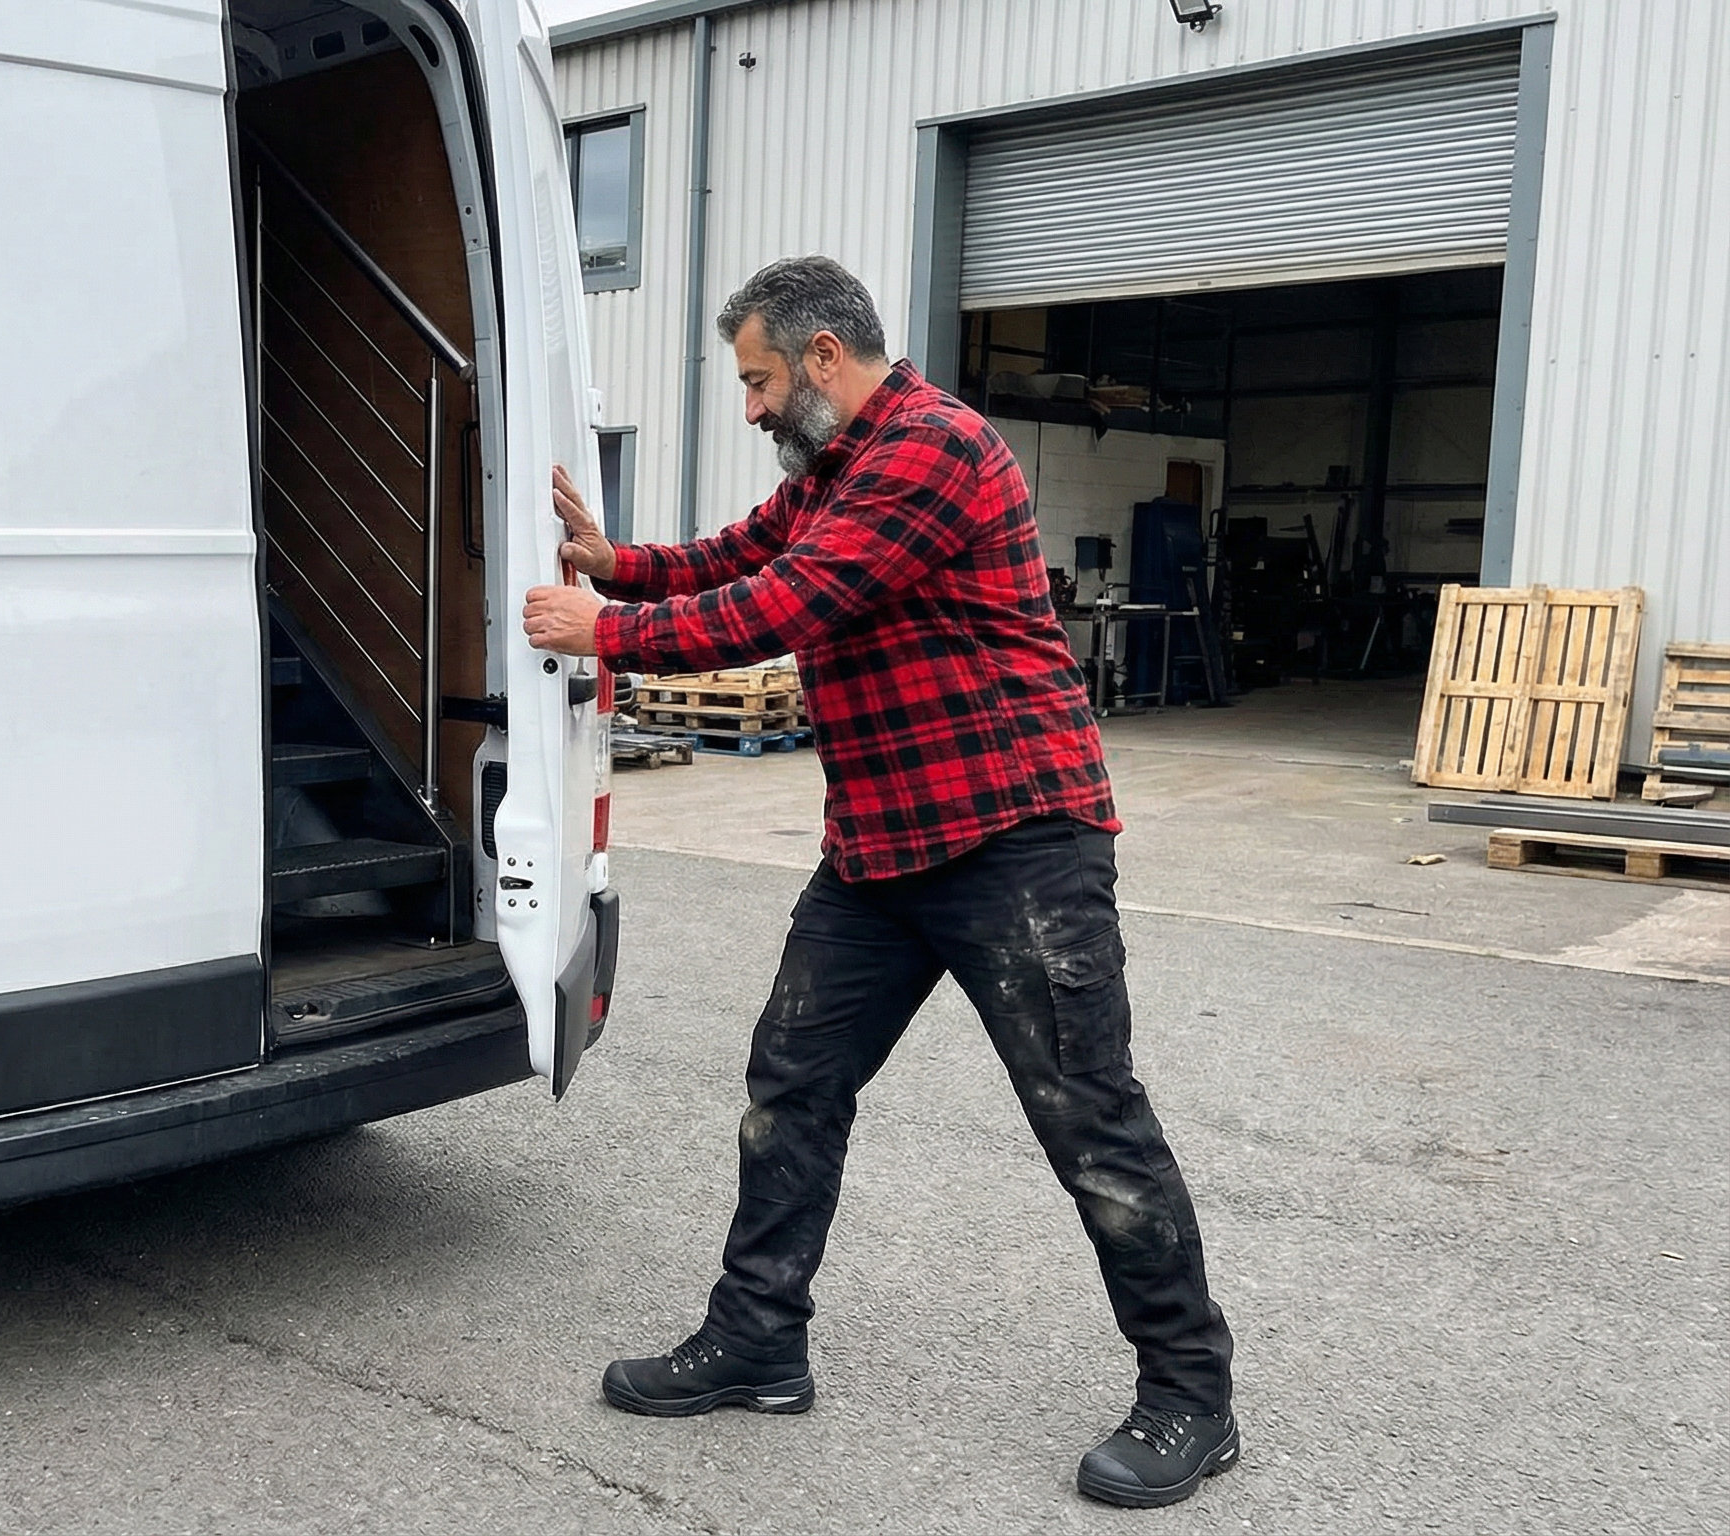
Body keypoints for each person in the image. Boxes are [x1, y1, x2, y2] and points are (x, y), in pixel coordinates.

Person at [519, 256, 1240, 1509]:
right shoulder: (831, 471)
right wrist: (615, 563)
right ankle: (758, 1343)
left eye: (754, 382)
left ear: (819, 359)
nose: (747, 409)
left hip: (1015, 837)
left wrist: (606, 633)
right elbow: (741, 551)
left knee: (1089, 1120)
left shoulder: (931, 451)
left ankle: (1191, 1394)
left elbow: (790, 602)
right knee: (790, 1084)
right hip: (882, 849)